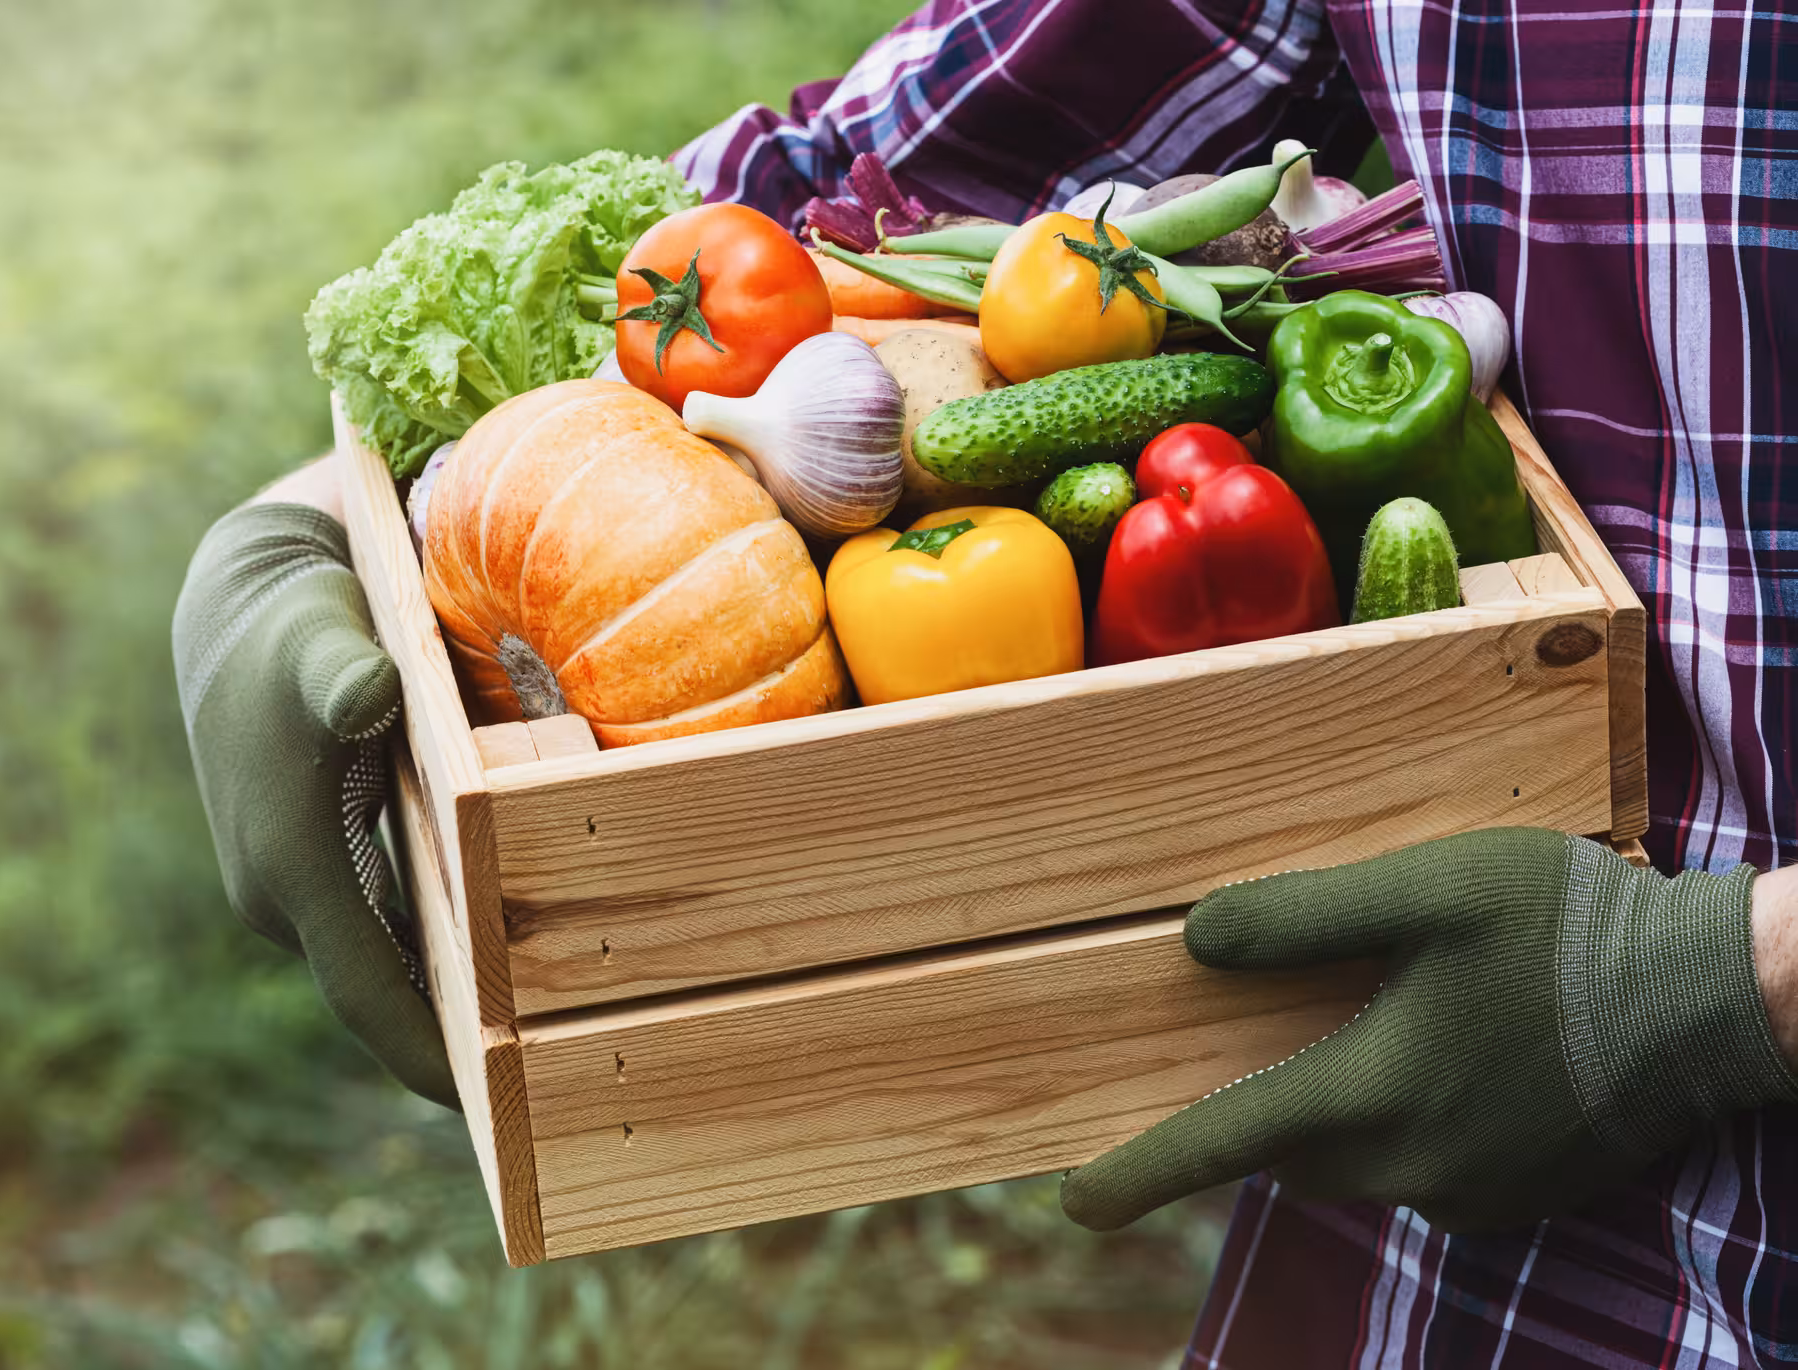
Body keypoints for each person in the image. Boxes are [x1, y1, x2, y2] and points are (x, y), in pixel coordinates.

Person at [172, 0, 1798, 1362]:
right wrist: (325, 520)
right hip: (1494, 1226)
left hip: (1604, 1069)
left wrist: (1725, 979)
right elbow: (889, 178)